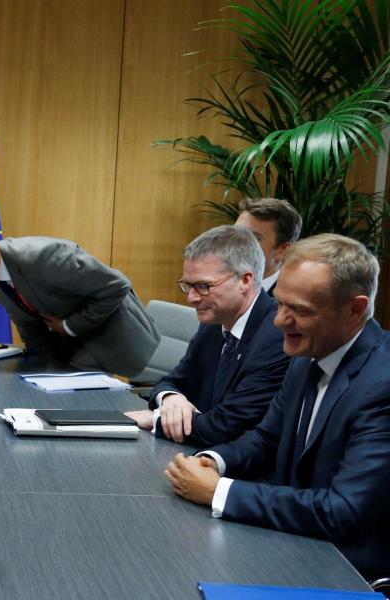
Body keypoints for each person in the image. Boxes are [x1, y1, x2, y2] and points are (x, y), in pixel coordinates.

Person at [164, 234, 390, 580]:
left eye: (298, 310)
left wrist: (220, 491)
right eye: (280, 303)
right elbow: (267, 438)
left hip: (346, 572)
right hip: (290, 544)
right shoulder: (307, 355)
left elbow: (343, 511)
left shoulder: (382, 383)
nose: (278, 321)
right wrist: (214, 461)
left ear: (355, 309)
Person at [125, 225, 290, 446]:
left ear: (245, 280)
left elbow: (225, 427)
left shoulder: (276, 337)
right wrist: (171, 398)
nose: (191, 298)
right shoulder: (214, 323)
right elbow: (171, 381)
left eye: (203, 286)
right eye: (188, 286)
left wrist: (156, 420)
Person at [0, 217, 160, 377]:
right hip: (73, 346)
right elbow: (26, 322)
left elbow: (117, 287)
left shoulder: (45, 256)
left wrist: (69, 326)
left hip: (116, 337)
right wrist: (40, 366)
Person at [234, 197, 302, 296]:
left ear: (283, 250)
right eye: (235, 233)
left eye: (253, 238)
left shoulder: (290, 301)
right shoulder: (214, 284)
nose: (236, 243)